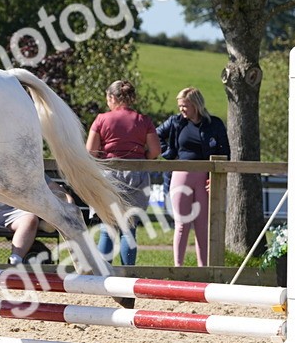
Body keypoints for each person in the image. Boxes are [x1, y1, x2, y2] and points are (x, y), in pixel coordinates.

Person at [86, 80, 161, 265]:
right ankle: (128, 276)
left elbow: (90, 152)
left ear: (112, 97)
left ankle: (104, 278)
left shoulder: (101, 119)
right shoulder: (143, 120)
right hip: (136, 174)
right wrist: (141, 156)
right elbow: (155, 151)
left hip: (109, 174)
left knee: (107, 227)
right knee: (129, 229)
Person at [156, 87, 230, 267]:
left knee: (202, 227)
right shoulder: (175, 122)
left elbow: (226, 152)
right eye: (180, 106)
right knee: (182, 224)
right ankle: (178, 268)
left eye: (185, 106)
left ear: (196, 105)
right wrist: (169, 154)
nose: (181, 109)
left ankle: (203, 269)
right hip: (181, 176)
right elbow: (156, 134)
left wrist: (217, 178)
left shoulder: (215, 124)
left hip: (205, 179)